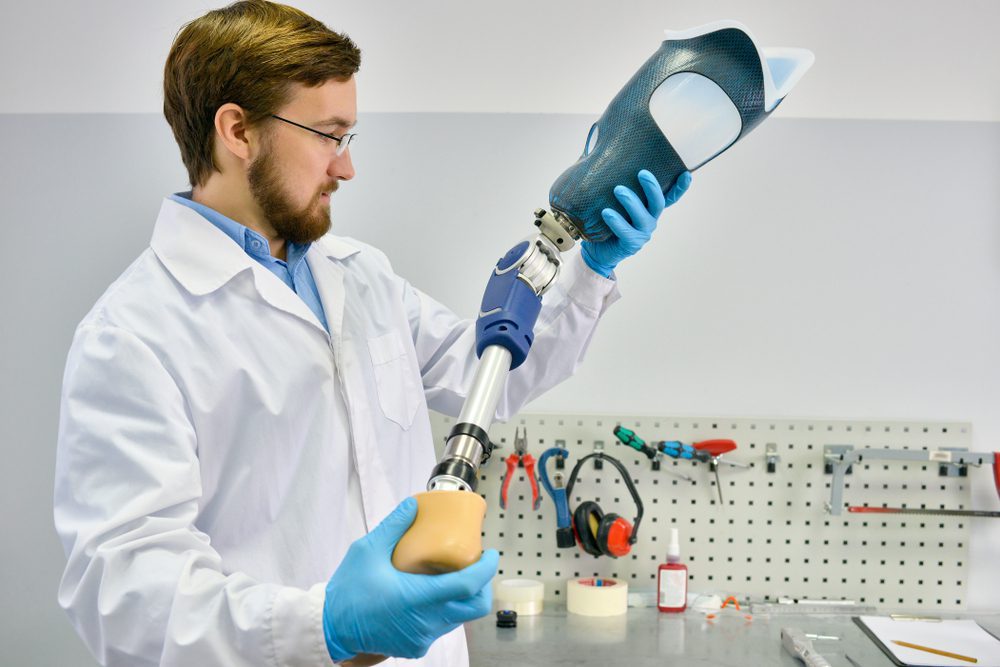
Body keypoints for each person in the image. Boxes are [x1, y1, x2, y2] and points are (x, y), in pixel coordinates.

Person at [52, 2, 691, 666]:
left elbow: (491, 379)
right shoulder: (133, 333)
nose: (346, 167)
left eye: (348, 137)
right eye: (329, 135)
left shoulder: (360, 276)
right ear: (237, 130)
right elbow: (124, 594)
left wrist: (592, 268)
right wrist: (322, 623)